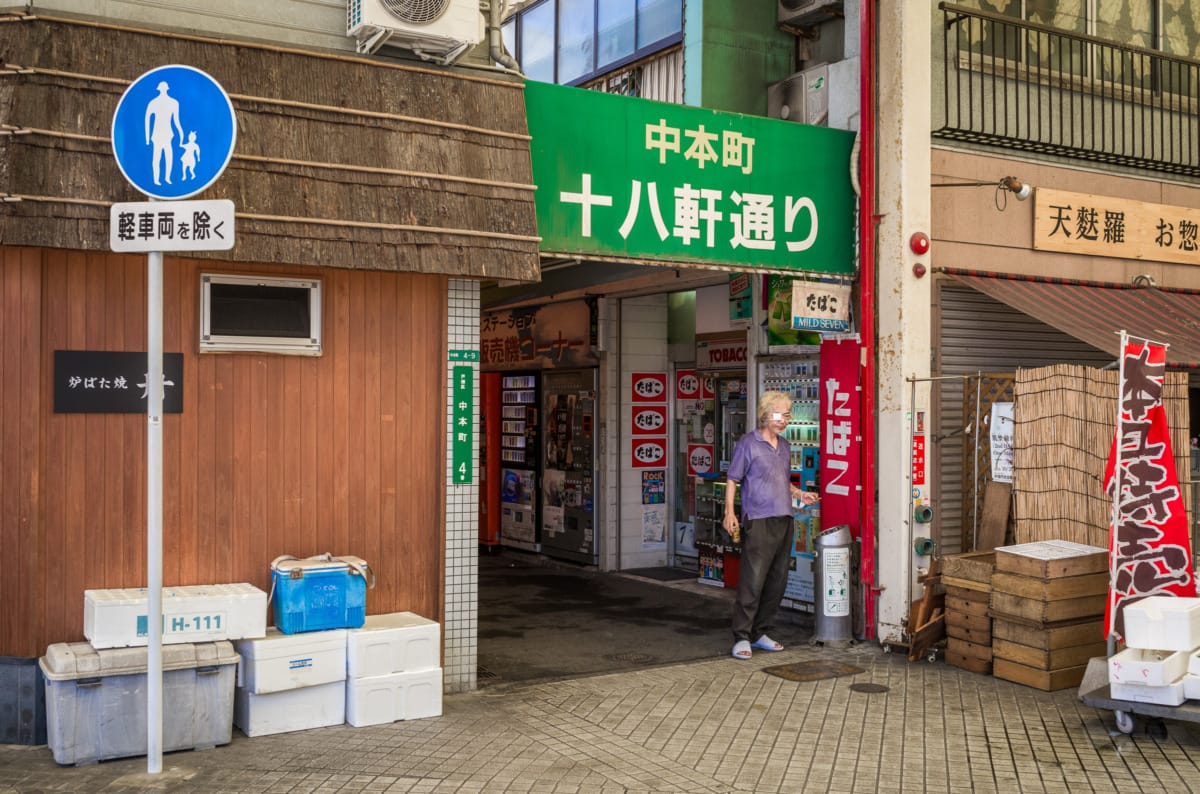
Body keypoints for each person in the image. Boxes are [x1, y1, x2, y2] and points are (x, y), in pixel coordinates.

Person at [723, 390, 818, 660]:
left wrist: (799, 494)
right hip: (758, 519)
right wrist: (730, 513)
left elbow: (782, 479)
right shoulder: (748, 444)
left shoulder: (785, 446)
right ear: (765, 414)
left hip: (784, 517)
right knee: (753, 580)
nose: (784, 419)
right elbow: (733, 478)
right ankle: (742, 636)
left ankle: (760, 632)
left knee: (777, 581)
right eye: (780, 414)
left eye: (787, 415)